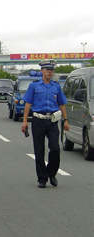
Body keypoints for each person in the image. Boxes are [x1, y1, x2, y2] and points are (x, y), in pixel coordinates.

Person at [21, 59, 70, 188]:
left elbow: (61, 104)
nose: (50, 72)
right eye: (47, 69)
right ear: (42, 71)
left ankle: (51, 173)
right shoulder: (34, 86)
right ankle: (42, 179)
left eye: (52, 69)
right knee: (39, 150)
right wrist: (25, 121)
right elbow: (28, 103)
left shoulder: (56, 86)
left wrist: (66, 120)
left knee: (55, 148)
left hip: (53, 121)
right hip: (38, 121)